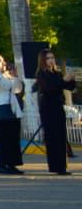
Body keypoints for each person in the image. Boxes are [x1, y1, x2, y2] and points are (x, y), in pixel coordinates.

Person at [33, 47, 75, 176]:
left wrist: (71, 79)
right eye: (48, 58)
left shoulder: (57, 73)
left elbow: (68, 87)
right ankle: (55, 166)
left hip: (58, 106)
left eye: (52, 58)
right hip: (48, 108)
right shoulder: (41, 75)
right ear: (43, 60)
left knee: (61, 136)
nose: (51, 60)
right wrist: (64, 81)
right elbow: (50, 88)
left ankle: (62, 166)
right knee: (52, 137)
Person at [0, 52, 24, 175]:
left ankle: (12, 164)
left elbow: (17, 89)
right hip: (0, 106)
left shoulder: (6, 75)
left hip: (11, 107)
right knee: (2, 137)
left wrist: (15, 77)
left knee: (12, 137)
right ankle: (1, 164)